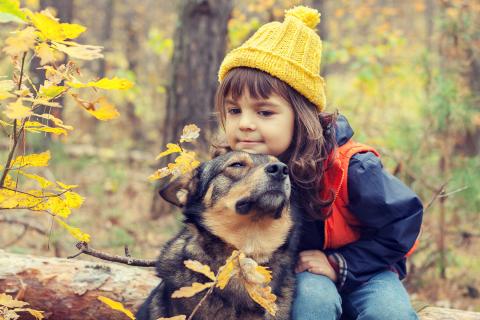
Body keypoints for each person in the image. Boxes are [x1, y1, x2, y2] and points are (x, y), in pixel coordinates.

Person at [213, 5, 423, 320]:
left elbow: (404, 221)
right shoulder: (235, 171)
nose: (244, 124)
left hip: (368, 268)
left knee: (389, 313)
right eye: (234, 111)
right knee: (312, 302)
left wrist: (341, 264)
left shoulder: (352, 167)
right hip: (301, 272)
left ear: (302, 115)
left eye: (264, 112)